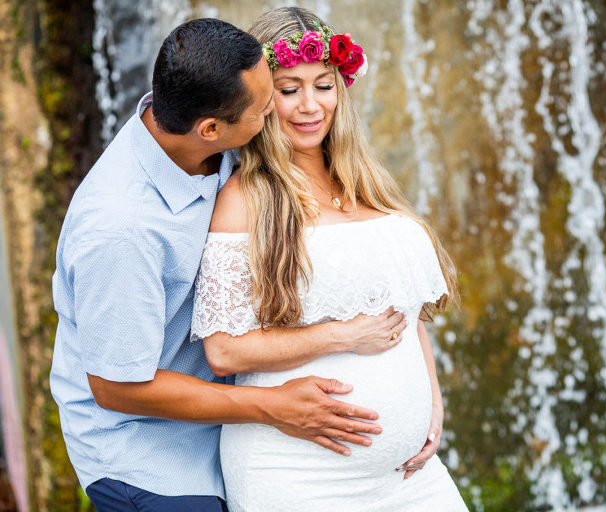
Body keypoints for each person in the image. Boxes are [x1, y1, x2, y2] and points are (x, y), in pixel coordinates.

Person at [50, 18, 404, 511]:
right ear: (212, 128)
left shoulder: (206, 139)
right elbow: (117, 387)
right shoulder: (122, 229)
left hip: (233, 433)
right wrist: (272, 407)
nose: (276, 113)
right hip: (150, 463)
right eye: (265, 108)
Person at [190, 7, 468, 511]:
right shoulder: (245, 200)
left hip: (410, 476)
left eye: (323, 85)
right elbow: (224, 351)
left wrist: (432, 400)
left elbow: (396, 307)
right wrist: (341, 336)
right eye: (288, 88)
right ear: (259, 99)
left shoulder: (366, 182)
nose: (309, 106)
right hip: (297, 473)